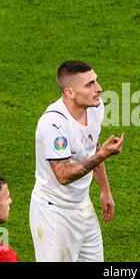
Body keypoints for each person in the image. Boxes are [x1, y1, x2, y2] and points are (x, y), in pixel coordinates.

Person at [29, 60, 124, 262]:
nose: (99, 89)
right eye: (89, 85)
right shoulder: (54, 124)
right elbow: (63, 175)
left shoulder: (95, 108)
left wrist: (105, 191)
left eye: (96, 81)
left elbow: (92, 147)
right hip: (54, 213)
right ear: (69, 93)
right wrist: (103, 155)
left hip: (82, 207)